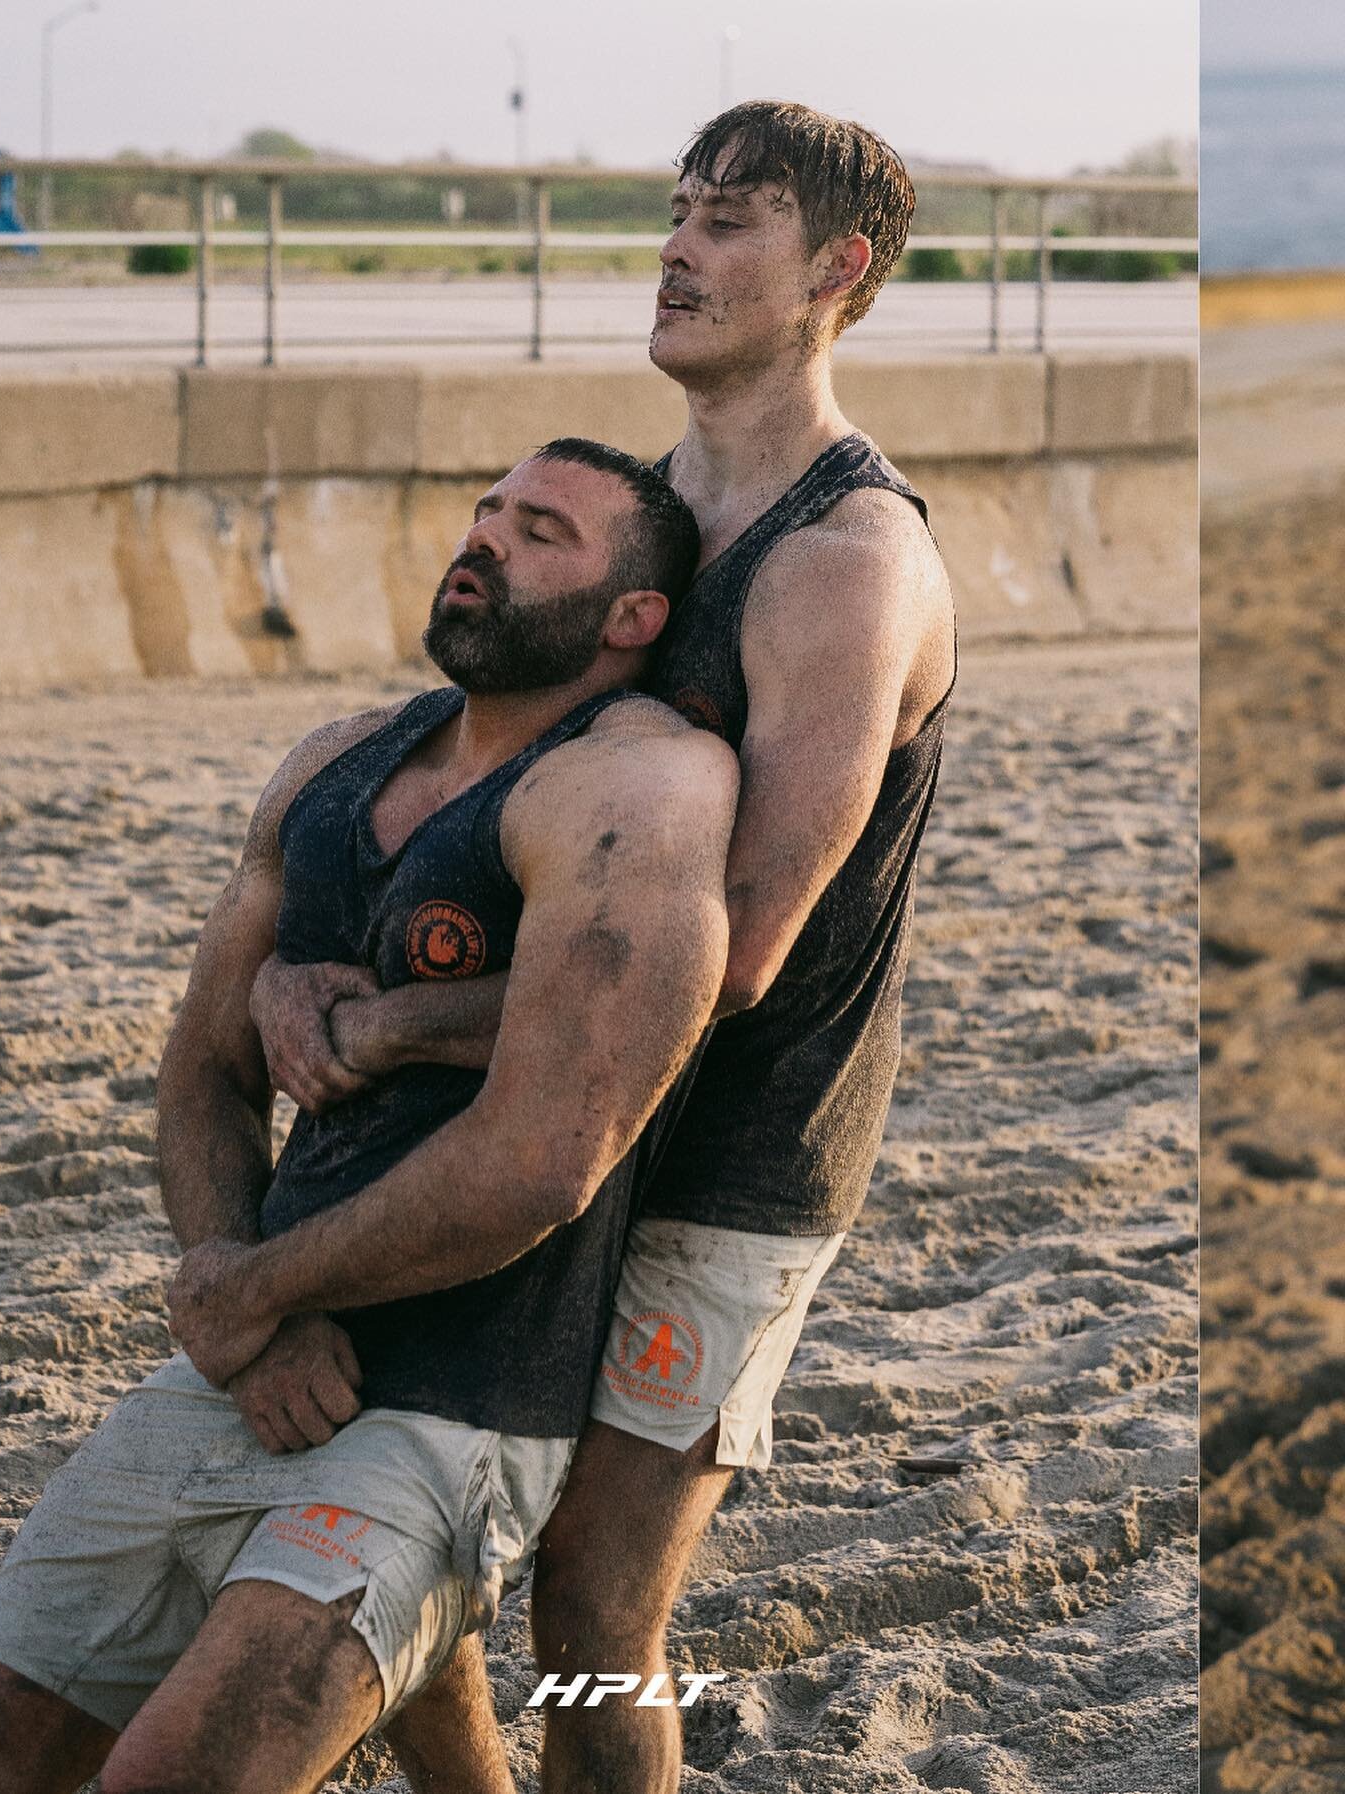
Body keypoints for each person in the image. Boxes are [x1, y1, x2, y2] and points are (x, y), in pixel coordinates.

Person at [257, 100, 959, 1794]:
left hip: (732, 1150)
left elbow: (742, 955)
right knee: (434, 1538)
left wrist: (401, 1029)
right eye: (675, 214)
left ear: (835, 270)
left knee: (596, 1609)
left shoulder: (844, 563)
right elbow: (471, 769)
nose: (676, 250)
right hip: (539, 1112)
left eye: (730, 223)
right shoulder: (632, 520)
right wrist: (298, 958)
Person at [0, 439, 739, 1794]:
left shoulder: (638, 789)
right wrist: (259, 1321)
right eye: (485, 513)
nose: (485, 542)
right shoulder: (335, 763)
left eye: (542, 533)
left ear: (631, 617)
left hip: (457, 1409)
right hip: (252, 1367)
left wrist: (250, 1287)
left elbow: (543, 1159)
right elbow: (204, 1072)